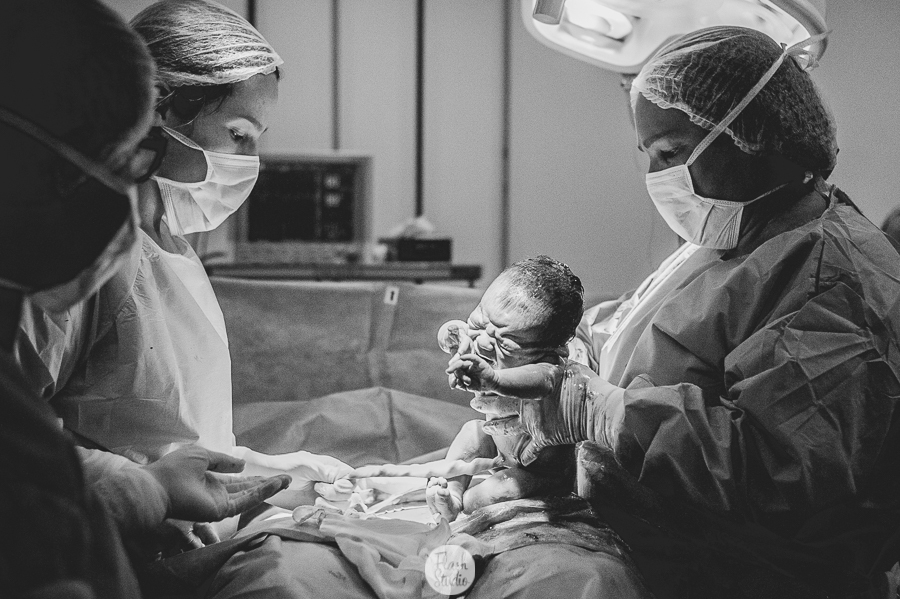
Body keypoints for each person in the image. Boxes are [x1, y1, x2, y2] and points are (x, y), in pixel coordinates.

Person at [469, 26, 900, 598]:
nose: (657, 179)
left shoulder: (833, 279)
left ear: (758, 135)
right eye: (649, 155)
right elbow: (642, 333)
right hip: (649, 535)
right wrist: (543, 356)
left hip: (742, 579)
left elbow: (779, 472)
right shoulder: (739, 236)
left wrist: (591, 412)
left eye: (671, 152)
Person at [13, 0, 351, 536]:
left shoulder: (169, 250)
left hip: (179, 548)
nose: (248, 160)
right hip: (108, 551)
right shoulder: (85, 250)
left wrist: (265, 474)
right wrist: (147, 492)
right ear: (163, 108)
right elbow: (17, 445)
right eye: (239, 133)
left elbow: (166, 437)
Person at [425, 255, 584, 521]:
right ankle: (451, 494)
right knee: (471, 434)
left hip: (537, 470)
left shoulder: (548, 369)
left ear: (551, 350)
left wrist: (494, 381)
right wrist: (453, 333)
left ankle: (464, 503)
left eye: (506, 344)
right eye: (479, 321)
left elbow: (541, 383)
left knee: (484, 496)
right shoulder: (477, 338)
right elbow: (454, 335)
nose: (484, 342)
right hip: (497, 443)